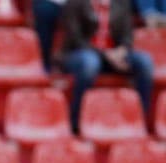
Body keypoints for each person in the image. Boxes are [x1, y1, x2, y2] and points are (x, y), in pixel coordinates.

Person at [58, 0, 153, 134]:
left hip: (113, 56)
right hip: (80, 54)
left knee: (144, 62)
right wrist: (105, 54)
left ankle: (139, 118)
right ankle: (76, 121)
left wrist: (122, 50)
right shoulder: (75, 3)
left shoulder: (122, 3)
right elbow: (75, 39)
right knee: (89, 63)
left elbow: (127, 35)